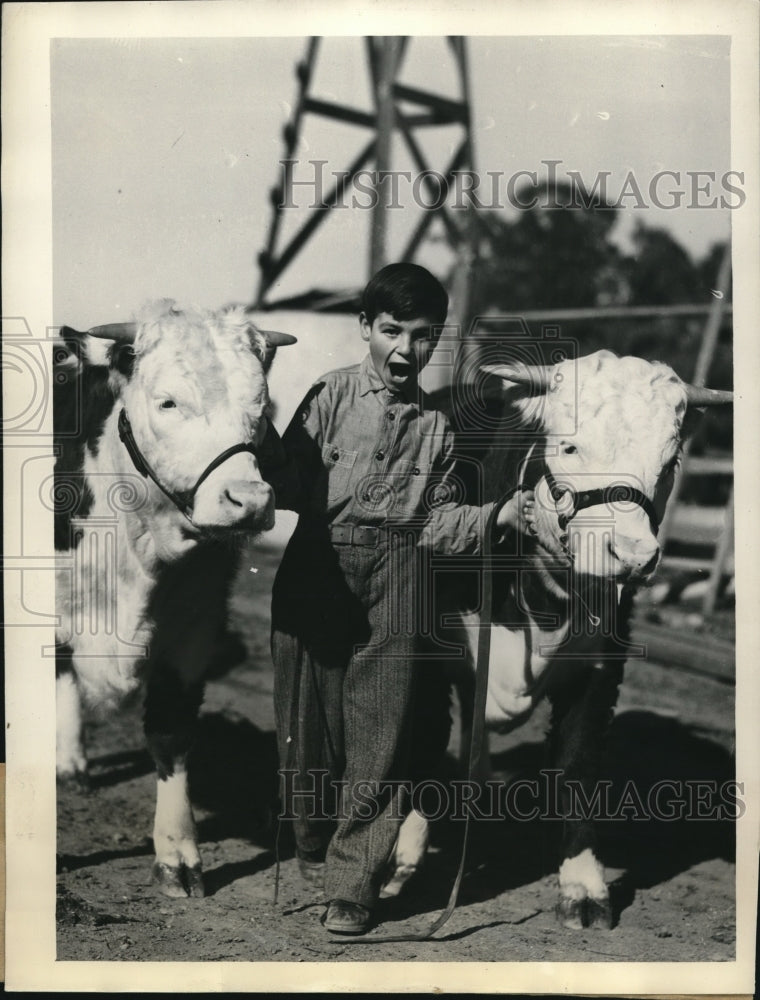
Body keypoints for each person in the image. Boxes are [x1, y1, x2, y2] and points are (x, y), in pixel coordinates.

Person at [260, 263, 533, 934]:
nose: (406, 349)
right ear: (365, 328)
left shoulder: (438, 429)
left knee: (379, 736)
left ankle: (353, 887)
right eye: (391, 331)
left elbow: (439, 521)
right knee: (308, 741)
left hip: (400, 571)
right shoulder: (330, 396)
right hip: (318, 561)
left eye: (422, 335)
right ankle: (313, 844)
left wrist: (499, 514)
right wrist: (255, 408)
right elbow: (288, 486)